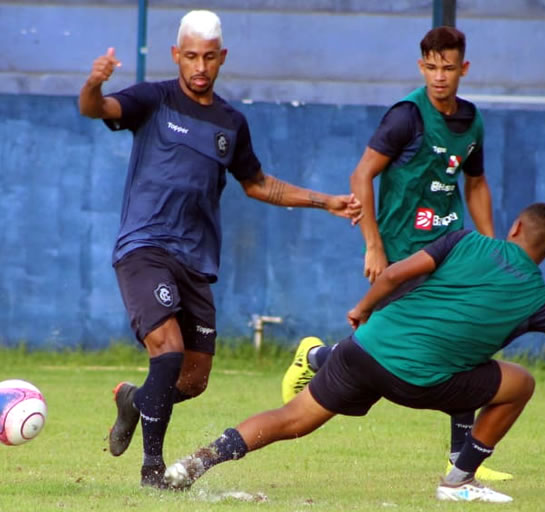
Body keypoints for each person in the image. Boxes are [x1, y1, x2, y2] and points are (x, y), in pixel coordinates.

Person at [163, 203, 545, 502]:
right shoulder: (541, 296)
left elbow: (394, 273)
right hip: (415, 380)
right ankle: (459, 479)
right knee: (518, 382)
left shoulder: (464, 238)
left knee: (295, 419)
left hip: (366, 346)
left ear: (513, 227)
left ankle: (193, 463)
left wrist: (363, 309)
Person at [78, 10, 362, 488]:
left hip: (196, 261)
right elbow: (96, 109)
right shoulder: (155, 99)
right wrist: (93, 83)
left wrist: (324, 201)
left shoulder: (231, 121)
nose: (200, 67)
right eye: (190, 56)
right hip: (144, 247)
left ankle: (133, 399)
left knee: (192, 380)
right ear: (176, 55)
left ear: (222, 57)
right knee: (166, 350)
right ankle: (152, 470)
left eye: (209, 57)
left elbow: (258, 183)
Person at [280, 25, 508, 481]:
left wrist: (493, 249)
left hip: (450, 255)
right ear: (421, 66)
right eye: (432, 67)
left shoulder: (473, 121)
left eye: (448, 68)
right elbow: (361, 175)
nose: (440, 77)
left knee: (460, 347)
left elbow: (476, 183)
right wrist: (373, 244)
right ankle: (318, 357)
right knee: (383, 361)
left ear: (463, 68)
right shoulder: (406, 116)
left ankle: (461, 464)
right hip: (403, 257)